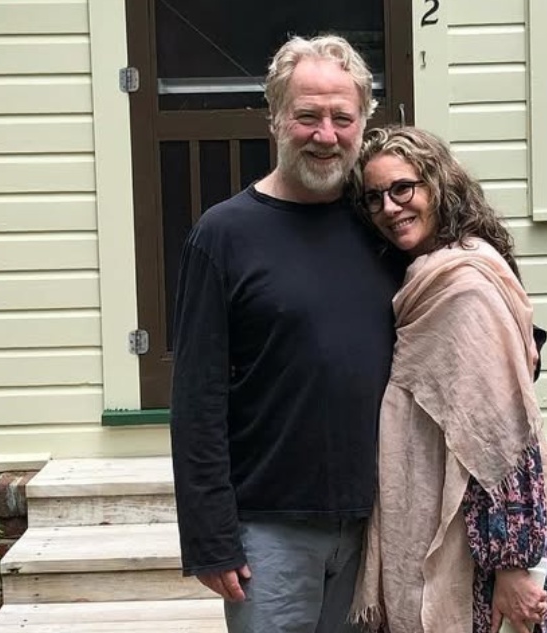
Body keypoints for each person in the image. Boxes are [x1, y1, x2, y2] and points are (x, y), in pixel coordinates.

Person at [168, 35, 403, 633]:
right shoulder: (223, 235)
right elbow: (196, 400)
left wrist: (515, 333)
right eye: (307, 116)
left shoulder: (383, 221)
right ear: (275, 117)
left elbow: (461, 280)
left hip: (380, 521)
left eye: (341, 118)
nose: (325, 134)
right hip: (267, 530)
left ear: (362, 122)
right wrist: (209, 537)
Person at [347, 126, 547, 633]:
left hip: (480, 554)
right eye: (374, 198)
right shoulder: (424, 276)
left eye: (403, 188)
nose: (390, 208)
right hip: (437, 531)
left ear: (437, 184)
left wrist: (512, 563)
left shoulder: (463, 289)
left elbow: (500, 439)